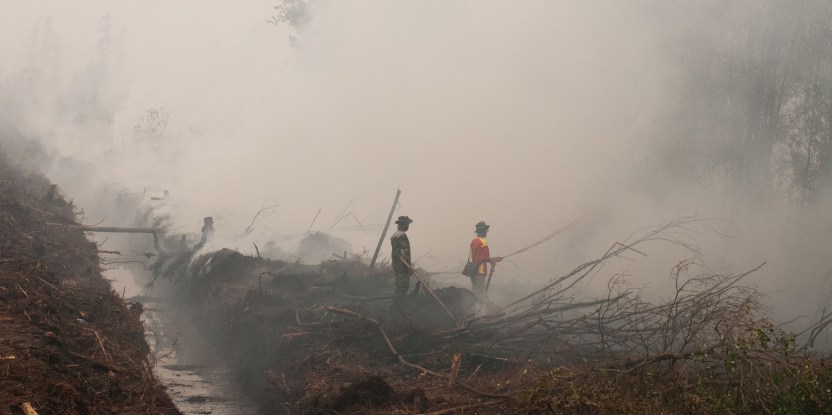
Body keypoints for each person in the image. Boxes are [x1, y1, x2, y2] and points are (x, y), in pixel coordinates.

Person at [469, 221, 502, 298]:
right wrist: (495, 259)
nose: (487, 233)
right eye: (486, 231)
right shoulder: (483, 242)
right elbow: (486, 258)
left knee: (475, 292)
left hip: (473, 270)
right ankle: (481, 309)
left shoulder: (474, 241)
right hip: (480, 270)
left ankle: (474, 308)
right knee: (481, 294)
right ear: (483, 232)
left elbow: (478, 257)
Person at [390, 215, 413, 296]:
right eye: (407, 224)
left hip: (396, 264)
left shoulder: (394, 235)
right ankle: (395, 306)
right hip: (402, 265)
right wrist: (409, 267)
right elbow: (404, 253)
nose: (408, 226)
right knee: (403, 287)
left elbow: (396, 253)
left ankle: (396, 305)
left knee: (399, 285)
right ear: (404, 224)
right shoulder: (402, 235)